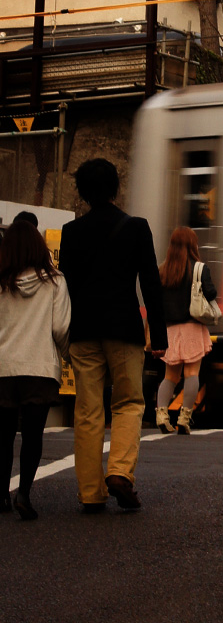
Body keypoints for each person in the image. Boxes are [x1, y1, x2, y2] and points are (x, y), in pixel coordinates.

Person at [59, 158, 167, 512]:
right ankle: (120, 471)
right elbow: (151, 283)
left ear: (82, 192)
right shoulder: (136, 227)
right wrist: (160, 335)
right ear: (115, 187)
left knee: (88, 411)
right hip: (123, 329)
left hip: (84, 330)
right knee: (128, 403)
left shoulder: (71, 232)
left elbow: (66, 288)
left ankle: (90, 492)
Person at [0, 212, 71, 521]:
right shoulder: (55, 280)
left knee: (2, 436)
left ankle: (2, 492)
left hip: (2, 369)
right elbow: (60, 328)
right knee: (32, 436)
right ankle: (25, 494)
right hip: (40, 369)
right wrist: (66, 354)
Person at [155, 227, 217, 435]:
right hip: (192, 326)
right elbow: (211, 293)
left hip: (170, 330)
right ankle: (184, 418)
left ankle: (161, 415)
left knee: (169, 376)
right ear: (193, 245)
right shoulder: (199, 268)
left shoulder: (163, 270)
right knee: (192, 373)